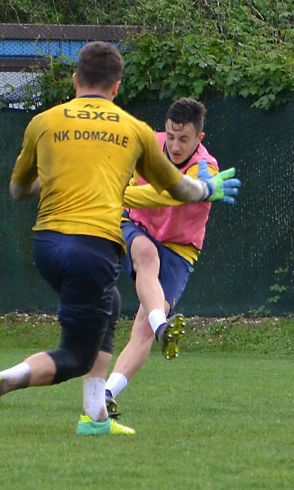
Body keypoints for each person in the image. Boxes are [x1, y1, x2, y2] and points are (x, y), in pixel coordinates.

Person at [0, 41, 240, 436]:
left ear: (75, 79)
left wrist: (53, 179)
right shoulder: (134, 130)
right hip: (91, 249)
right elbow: (178, 189)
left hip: (46, 245)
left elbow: (18, 190)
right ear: (116, 87)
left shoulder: (43, 122)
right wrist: (206, 189)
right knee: (77, 354)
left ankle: (95, 417)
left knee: (109, 306)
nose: (176, 144)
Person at [104, 97, 228, 418]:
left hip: (179, 249)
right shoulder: (148, 145)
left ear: (199, 138)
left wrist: (206, 186)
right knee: (146, 254)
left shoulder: (206, 166)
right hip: (137, 226)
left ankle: (107, 393)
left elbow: (172, 193)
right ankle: (163, 327)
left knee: (142, 327)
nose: (174, 145)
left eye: (184, 139)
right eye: (171, 136)